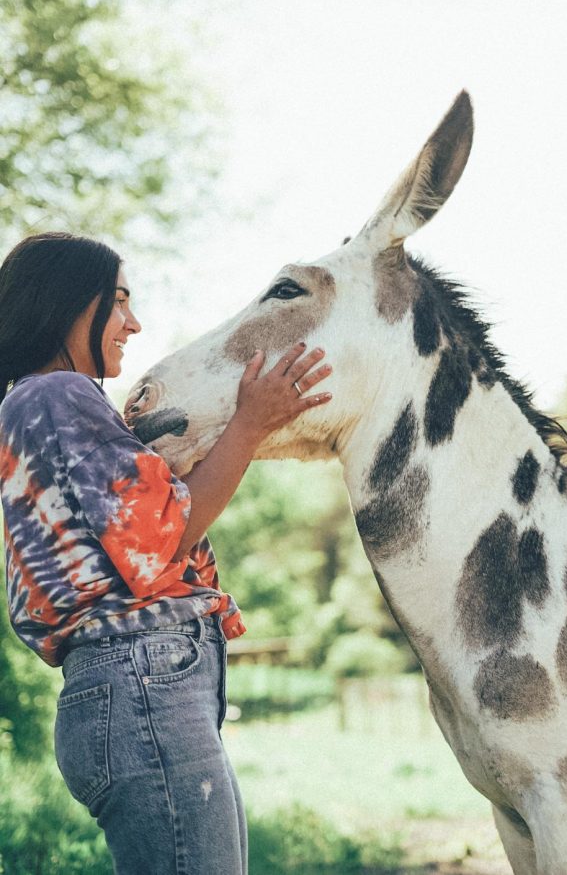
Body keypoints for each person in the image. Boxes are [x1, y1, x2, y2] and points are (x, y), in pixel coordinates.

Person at [0, 231, 332, 875]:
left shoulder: (30, 406)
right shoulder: (59, 396)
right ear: (65, 305)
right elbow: (162, 539)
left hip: (127, 688)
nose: (134, 323)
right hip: (142, 687)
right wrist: (250, 423)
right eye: (117, 302)